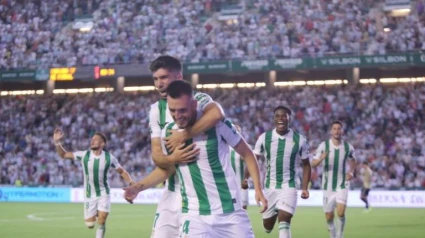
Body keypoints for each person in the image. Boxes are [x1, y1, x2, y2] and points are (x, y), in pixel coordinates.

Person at [124, 80, 267, 237]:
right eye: (173, 111)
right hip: (194, 215)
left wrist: (258, 189)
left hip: (230, 212)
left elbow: (248, 154)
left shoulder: (218, 124)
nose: (177, 116)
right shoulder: (169, 133)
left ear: (193, 104)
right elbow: (167, 171)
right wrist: (138, 187)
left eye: (182, 110)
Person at [135, 55, 225, 238]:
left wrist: (184, 134)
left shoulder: (199, 99)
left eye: (164, 77)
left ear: (179, 77)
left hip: (200, 195)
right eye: (156, 79)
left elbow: (217, 113)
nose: (159, 84)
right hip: (172, 193)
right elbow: (157, 157)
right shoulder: (155, 110)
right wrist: (173, 159)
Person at [53, 129, 133, 238]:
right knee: (90, 225)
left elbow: (122, 171)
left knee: (102, 220)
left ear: (102, 144)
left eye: (95, 140)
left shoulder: (109, 158)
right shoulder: (84, 155)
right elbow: (64, 154)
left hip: (104, 192)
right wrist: (57, 142)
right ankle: (95, 212)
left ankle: (100, 221)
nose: (92, 141)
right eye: (92, 139)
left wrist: (131, 182)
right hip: (89, 194)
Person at [252, 106, 311, 238]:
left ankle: (282, 209)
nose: (280, 118)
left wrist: (305, 188)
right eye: (277, 116)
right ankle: (273, 213)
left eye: (284, 116)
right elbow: (253, 160)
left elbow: (306, 164)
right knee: (267, 227)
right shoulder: (264, 138)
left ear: (289, 118)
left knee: (284, 221)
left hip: (289, 187)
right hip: (269, 188)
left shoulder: (299, 140)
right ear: (273, 119)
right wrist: (246, 179)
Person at [311, 120, 356, 238]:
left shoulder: (347, 147)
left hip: (342, 184)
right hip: (328, 187)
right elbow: (313, 164)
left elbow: (353, 159)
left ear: (342, 131)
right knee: (329, 216)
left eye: (339, 129)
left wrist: (351, 171)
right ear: (331, 131)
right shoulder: (323, 146)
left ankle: (340, 236)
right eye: (334, 129)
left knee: (341, 212)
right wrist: (321, 158)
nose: (336, 131)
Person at [230, 124, 249, 209]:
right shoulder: (224, 148)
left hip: (242, 184)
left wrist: (246, 178)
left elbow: (249, 164)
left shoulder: (243, 148)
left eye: (238, 131)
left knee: (243, 208)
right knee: (231, 209)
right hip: (229, 186)